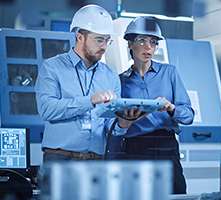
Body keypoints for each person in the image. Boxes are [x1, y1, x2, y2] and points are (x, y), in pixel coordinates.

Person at [35, 4, 139, 162]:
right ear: (79, 36)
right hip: (60, 158)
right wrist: (89, 101)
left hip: (96, 160)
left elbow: (110, 125)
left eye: (107, 41)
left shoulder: (110, 76)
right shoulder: (52, 67)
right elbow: (47, 110)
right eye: (99, 40)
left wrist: (123, 124)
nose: (104, 47)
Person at [119, 16, 194, 194]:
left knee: (176, 195)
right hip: (135, 148)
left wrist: (171, 108)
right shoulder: (121, 81)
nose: (148, 47)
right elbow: (116, 122)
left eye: (153, 42)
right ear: (130, 44)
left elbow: (189, 115)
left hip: (166, 146)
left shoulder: (169, 73)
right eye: (142, 41)